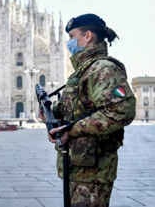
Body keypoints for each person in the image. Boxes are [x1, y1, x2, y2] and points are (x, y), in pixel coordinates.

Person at [46, 13, 135, 206]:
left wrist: (72, 130)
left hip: (93, 172)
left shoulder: (102, 68)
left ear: (87, 36)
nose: (69, 42)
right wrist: (52, 113)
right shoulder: (85, 70)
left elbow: (122, 110)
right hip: (80, 168)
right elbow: (78, 109)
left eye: (72, 36)